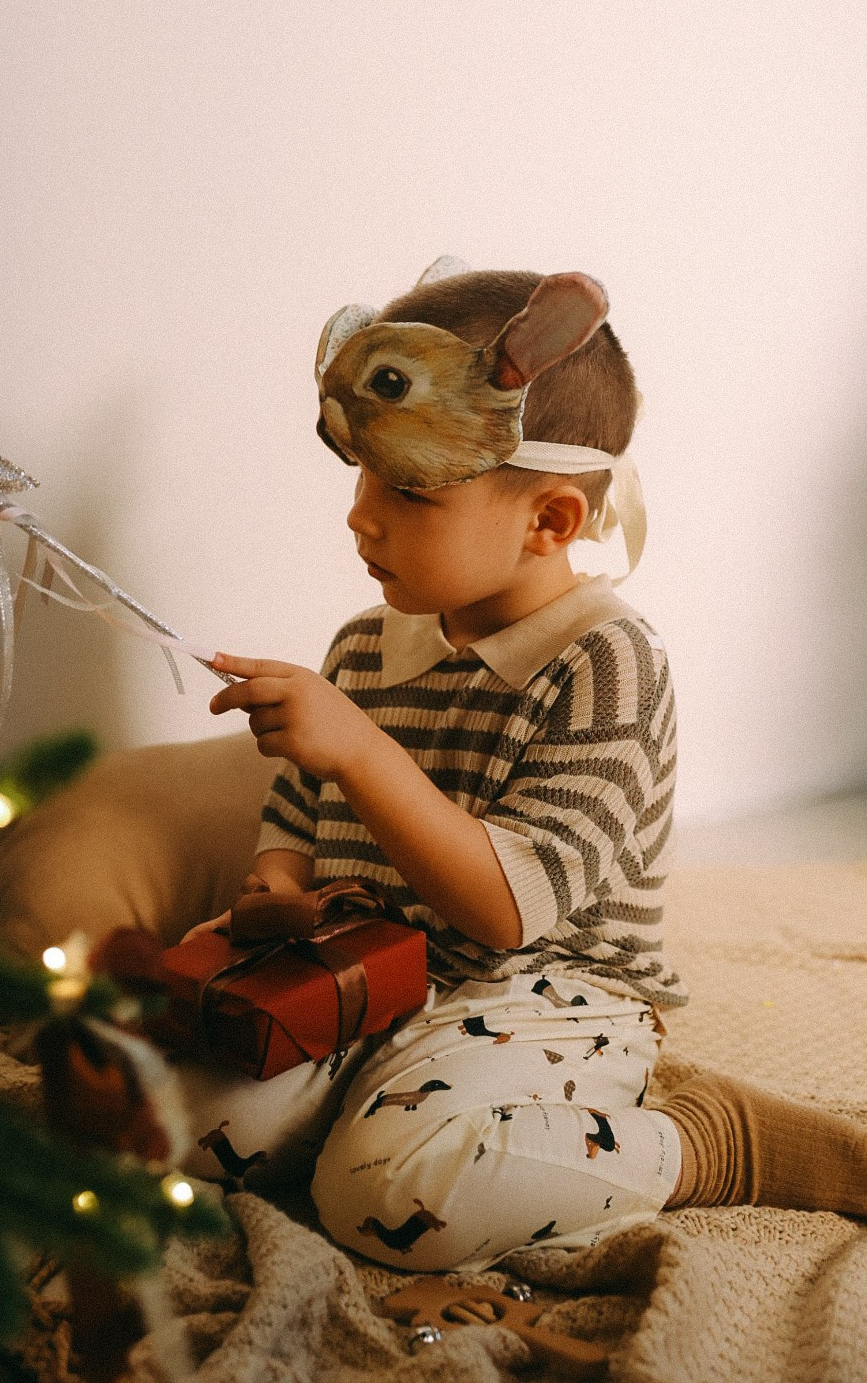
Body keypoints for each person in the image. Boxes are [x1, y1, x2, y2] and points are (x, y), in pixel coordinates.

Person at [180, 261, 867, 1271]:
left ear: (549, 521)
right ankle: (386, 1108)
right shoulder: (365, 647)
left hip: (548, 988)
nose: (360, 516)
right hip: (370, 967)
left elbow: (512, 912)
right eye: (363, 476)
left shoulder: (608, 662)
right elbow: (299, 805)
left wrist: (356, 746)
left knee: (387, 1198)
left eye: (409, 489)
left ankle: (706, 1142)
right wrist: (276, 892)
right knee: (163, 1122)